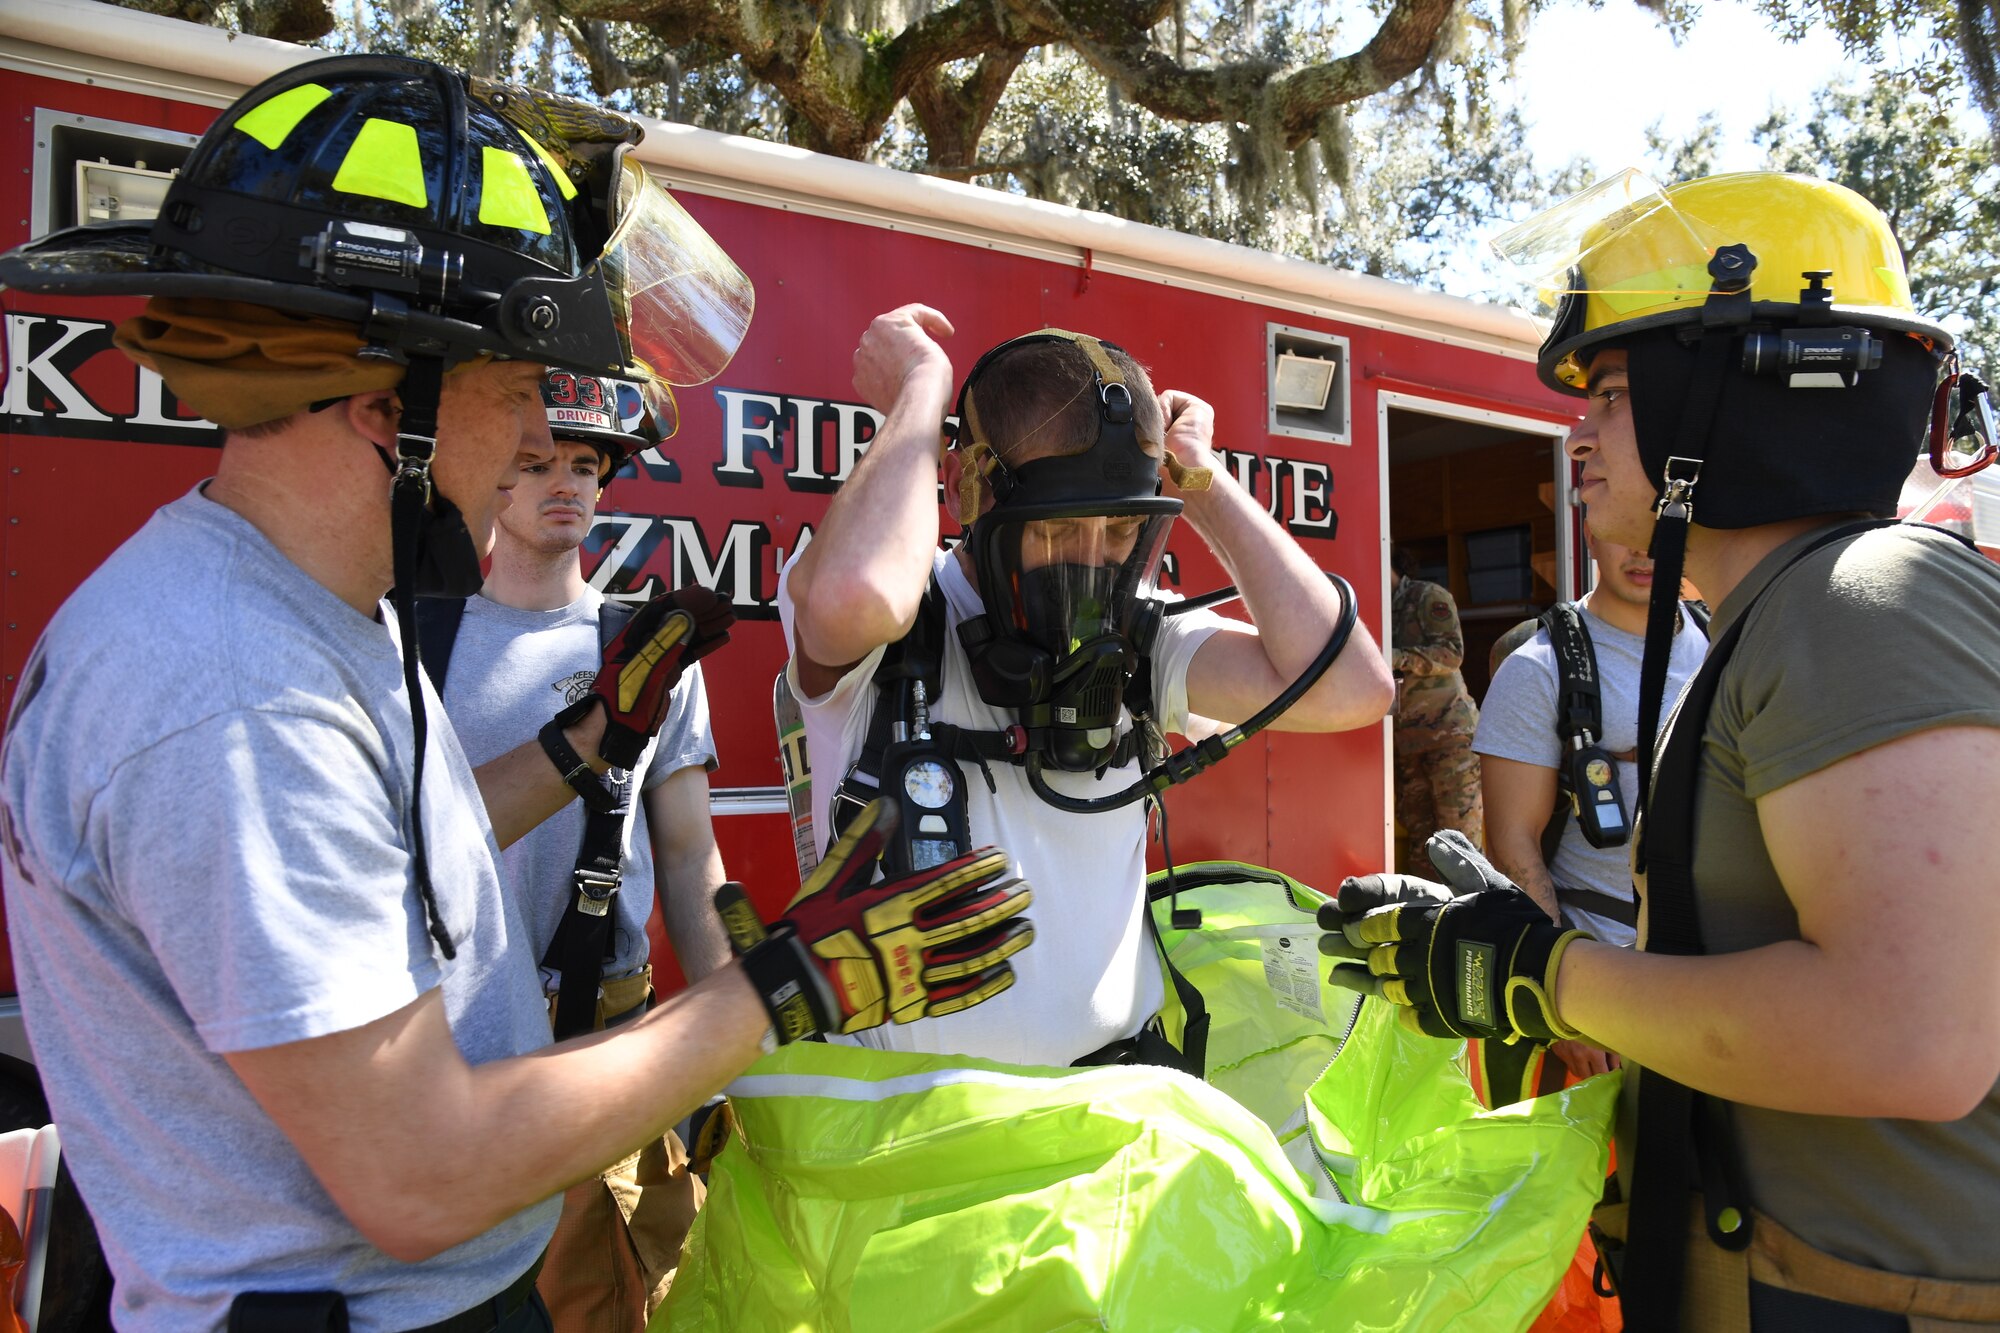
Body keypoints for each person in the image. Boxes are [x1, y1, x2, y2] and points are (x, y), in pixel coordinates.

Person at [0, 56, 1032, 1331]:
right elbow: (421, 1174)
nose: (539, 445)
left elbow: (388, 867)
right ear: (396, 410)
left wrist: (598, 739)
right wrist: (786, 988)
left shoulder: (310, 613)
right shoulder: (233, 694)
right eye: (520, 394)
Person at [1325, 170, 2000, 1331]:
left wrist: (1544, 979)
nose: (1577, 438)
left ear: (1732, 398)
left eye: (1615, 393)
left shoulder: (1857, 599)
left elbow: (1916, 1037)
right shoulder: (1774, 621)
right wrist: (1525, 959)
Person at [779, 307, 1394, 1068]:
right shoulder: (894, 631)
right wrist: (922, 386)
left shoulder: (1138, 637)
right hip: (917, 1151)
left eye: (1121, 529)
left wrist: (1198, 479)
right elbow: (855, 598)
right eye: (1059, 528)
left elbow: (1351, 686)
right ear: (971, 492)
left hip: (1113, 1133)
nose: (1095, 562)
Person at [418, 372, 730, 1331]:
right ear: (489, 482)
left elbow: (688, 860)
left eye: (585, 465)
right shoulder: (417, 642)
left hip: (608, 1045)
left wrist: (736, 1035)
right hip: (454, 1051)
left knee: (613, 1302)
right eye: (535, 461)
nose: (564, 483)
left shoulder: (647, 647)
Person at [1471, 523, 1707, 1098]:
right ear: (1590, 537)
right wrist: (1559, 993)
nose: (1645, 550)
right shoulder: (1538, 669)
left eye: (1662, 532)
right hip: (1600, 972)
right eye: (1625, 530)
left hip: (1716, 967)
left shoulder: (1727, 641)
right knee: (1598, 1181)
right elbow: (1512, 842)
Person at [1389, 548, 1482, 871]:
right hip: (1407, 745)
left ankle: (1470, 915)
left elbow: (1451, 653)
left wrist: (1396, 657)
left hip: (1449, 740)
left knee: (1459, 843)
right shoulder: (1374, 607)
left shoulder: (1427, 596)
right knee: (1421, 842)